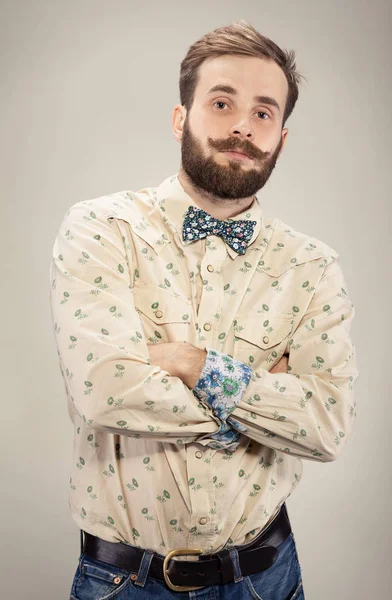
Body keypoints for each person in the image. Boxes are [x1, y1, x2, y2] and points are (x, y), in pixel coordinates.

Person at [50, 19, 358, 599]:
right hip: (124, 582)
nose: (243, 125)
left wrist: (191, 364)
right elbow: (104, 389)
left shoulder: (313, 266)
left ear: (281, 138)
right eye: (222, 102)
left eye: (264, 112)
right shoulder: (101, 228)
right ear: (180, 118)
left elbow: (326, 426)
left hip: (266, 578)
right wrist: (259, 401)